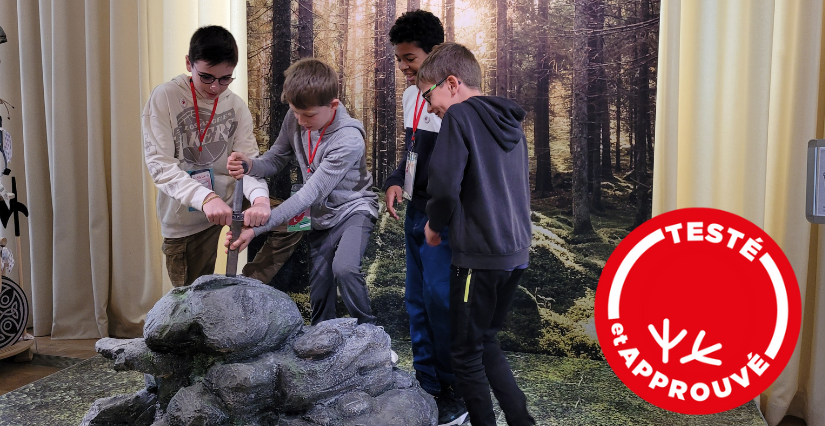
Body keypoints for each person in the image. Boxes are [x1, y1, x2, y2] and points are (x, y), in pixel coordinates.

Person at [419, 42, 536, 426]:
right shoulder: (510, 121)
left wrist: (434, 226)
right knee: (486, 343)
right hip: (515, 254)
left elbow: (444, 183)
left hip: (478, 258)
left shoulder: (461, 117)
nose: (429, 106)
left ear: (451, 83)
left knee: (465, 354)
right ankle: (522, 421)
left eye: (428, 94)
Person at [225, 58, 379, 326]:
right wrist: (250, 165)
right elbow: (275, 159)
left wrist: (257, 229)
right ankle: (321, 339)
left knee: (344, 268)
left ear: (333, 105)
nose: (300, 120)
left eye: (308, 115)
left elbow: (310, 194)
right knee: (320, 288)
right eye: (296, 113)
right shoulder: (296, 117)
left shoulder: (348, 139)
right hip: (320, 216)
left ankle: (372, 333)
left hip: (353, 210)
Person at [384, 10, 468, 426]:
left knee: (440, 300)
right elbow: (412, 145)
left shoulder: (454, 101)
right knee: (416, 302)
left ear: (434, 52)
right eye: (398, 59)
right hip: (415, 211)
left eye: (410, 58)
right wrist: (397, 178)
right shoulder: (409, 97)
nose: (404, 67)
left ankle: (454, 389)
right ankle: (426, 381)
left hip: (443, 219)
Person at [142, 25, 271, 287]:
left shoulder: (235, 105)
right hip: (187, 217)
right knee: (192, 307)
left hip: (232, 201)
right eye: (207, 77)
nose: (215, 87)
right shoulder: (165, 97)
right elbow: (160, 166)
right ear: (189, 63)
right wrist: (206, 198)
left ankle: (246, 290)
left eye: (225, 79)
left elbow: (248, 164)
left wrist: (259, 200)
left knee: (293, 223)